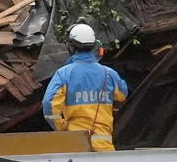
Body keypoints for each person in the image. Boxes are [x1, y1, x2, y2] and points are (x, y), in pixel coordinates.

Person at [42, 23, 128, 151]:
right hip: (104, 147)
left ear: (71, 46)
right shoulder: (108, 74)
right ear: (94, 45)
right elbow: (122, 95)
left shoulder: (64, 74)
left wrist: (62, 128)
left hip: (76, 144)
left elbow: (49, 103)